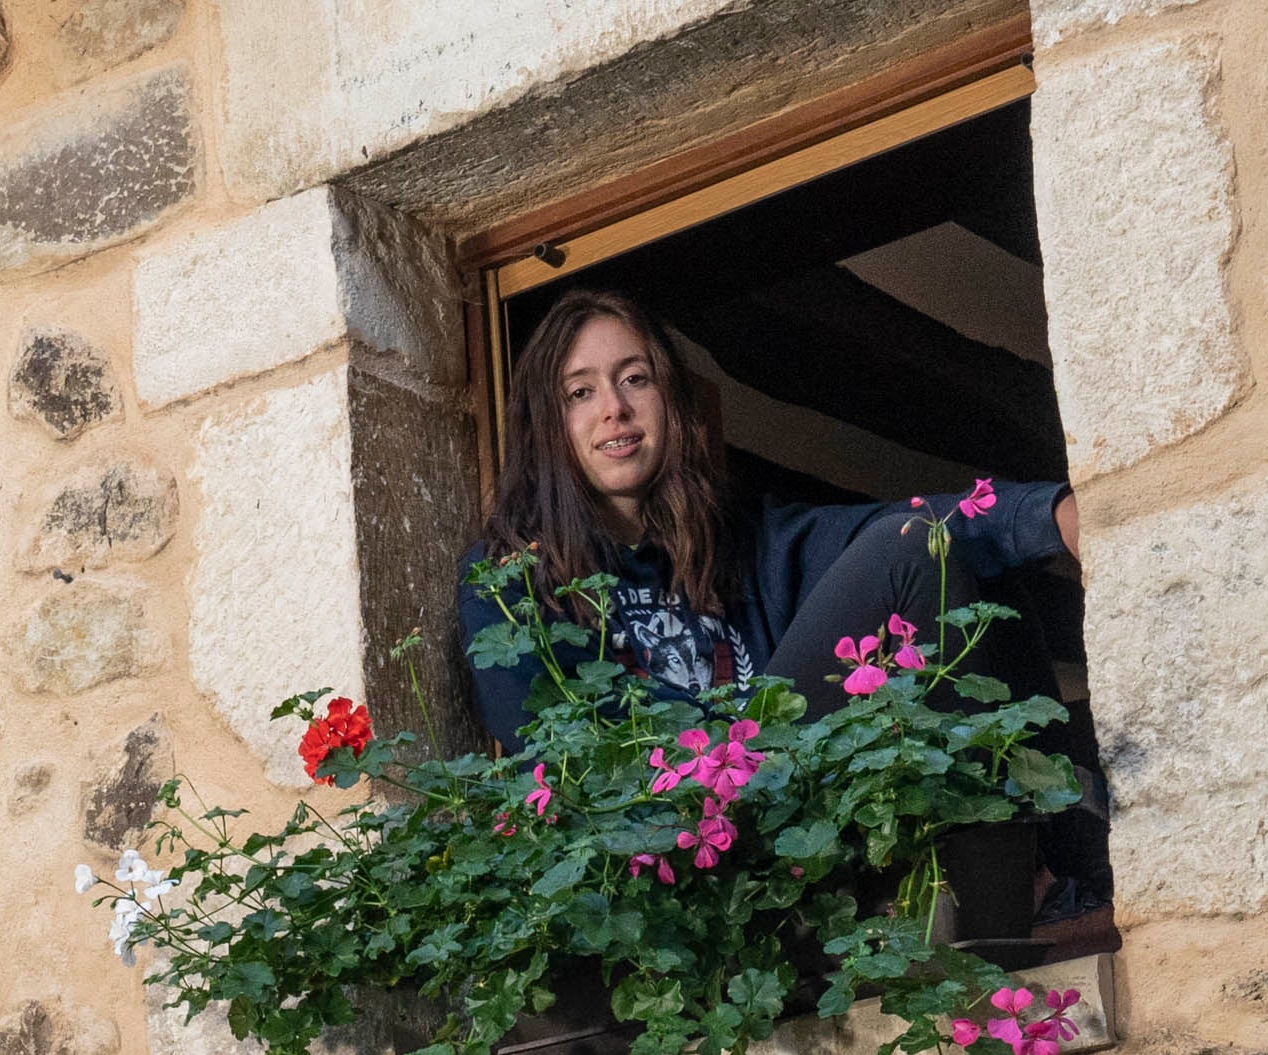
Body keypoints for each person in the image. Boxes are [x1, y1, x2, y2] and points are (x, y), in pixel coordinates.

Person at [457, 288, 1081, 753]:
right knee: (921, 550)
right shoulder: (507, 581)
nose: (615, 409)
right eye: (581, 392)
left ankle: (1060, 864)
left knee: (954, 559)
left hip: (788, 795)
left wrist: (1051, 514)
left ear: (670, 401)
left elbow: (885, 536)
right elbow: (546, 749)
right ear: (548, 424)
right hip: (672, 846)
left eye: (634, 379)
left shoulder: (738, 538)